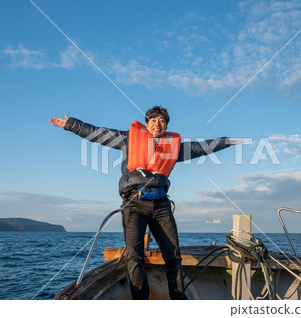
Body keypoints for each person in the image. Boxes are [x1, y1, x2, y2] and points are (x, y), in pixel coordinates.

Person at [50, 106, 241, 300]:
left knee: (173, 256)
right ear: (147, 123)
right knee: (134, 256)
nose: (157, 124)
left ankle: (179, 301)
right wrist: (71, 125)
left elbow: (200, 148)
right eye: (153, 121)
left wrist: (226, 142)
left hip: (161, 205)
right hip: (134, 204)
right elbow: (98, 134)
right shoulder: (128, 139)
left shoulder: (173, 146)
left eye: (162, 121)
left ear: (166, 125)